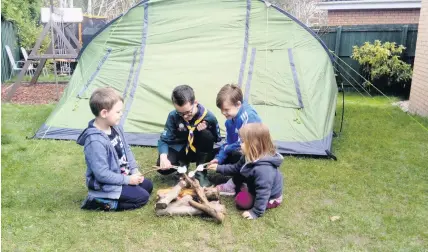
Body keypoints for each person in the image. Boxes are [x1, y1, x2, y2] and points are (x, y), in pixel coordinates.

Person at [77, 87, 153, 211]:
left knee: (148, 186)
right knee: (142, 197)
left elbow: (126, 150)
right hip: (106, 185)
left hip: (121, 176)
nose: (121, 114)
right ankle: (98, 202)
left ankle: (125, 190)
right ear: (104, 113)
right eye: (118, 112)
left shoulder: (116, 127)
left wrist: (134, 170)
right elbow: (102, 175)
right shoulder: (95, 141)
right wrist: (128, 180)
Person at [208, 123, 284, 219]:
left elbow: (263, 193)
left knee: (241, 201)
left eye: (243, 141)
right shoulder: (248, 156)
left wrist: (255, 212)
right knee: (241, 175)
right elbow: (236, 168)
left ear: (254, 145)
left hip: (270, 198)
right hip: (255, 187)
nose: (240, 144)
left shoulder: (264, 170)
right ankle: (237, 188)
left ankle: (247, 192)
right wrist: (219, 168)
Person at [157, 84, 221, 187]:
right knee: (162, 168)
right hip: (182, 150)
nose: (185, 117)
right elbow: (164, 140)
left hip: (200, 151)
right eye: (180, 113)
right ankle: (182, 169)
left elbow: (217, 139)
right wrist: (164, 157)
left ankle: (201, 173)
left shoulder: (209, 116)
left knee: (206, 134)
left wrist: (207, 130)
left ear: (195, 103)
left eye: (188, 112)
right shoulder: (173, 116)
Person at [210, 84, 261, 195]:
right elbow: (228, 142)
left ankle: (240, 182)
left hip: (254, 155)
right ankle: (238, 178)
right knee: (215, 154)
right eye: (221, 110)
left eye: (226, 110)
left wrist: (228, 148)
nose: (223, 113)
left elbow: (245, 144)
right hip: (239, 150)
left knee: (240, 156)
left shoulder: (248, 116)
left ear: (238, 104)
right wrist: (219, 159)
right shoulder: (229, 121)